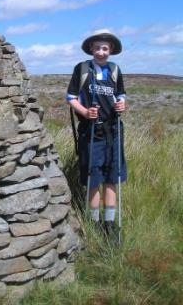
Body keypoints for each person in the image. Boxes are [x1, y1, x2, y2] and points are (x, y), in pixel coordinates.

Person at [66, 31, 127, 238]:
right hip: (91, 132)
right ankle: (94, 221)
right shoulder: (82, 69)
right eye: (98, 48)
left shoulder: (115, 70)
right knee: (93, 177)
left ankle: (109, 224)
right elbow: (71, 97)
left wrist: (122, 104)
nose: (101, 52)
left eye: (105, 48)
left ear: (110, 51)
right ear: (91, 48)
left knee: (112, 176)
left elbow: (121, 95)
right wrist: (85, 112)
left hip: (113, 130)